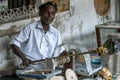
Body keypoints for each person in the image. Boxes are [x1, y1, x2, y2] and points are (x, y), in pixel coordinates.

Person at [10, 1, 67, 67]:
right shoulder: (30, 28)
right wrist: (24, 58)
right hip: (30, 68)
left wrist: (68, 54)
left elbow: (60, 50)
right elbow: (13, 43)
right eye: (47, 12)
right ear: (40, 13)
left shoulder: (56, 33)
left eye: (52, 13)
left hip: (48, 68)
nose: (50, 15)